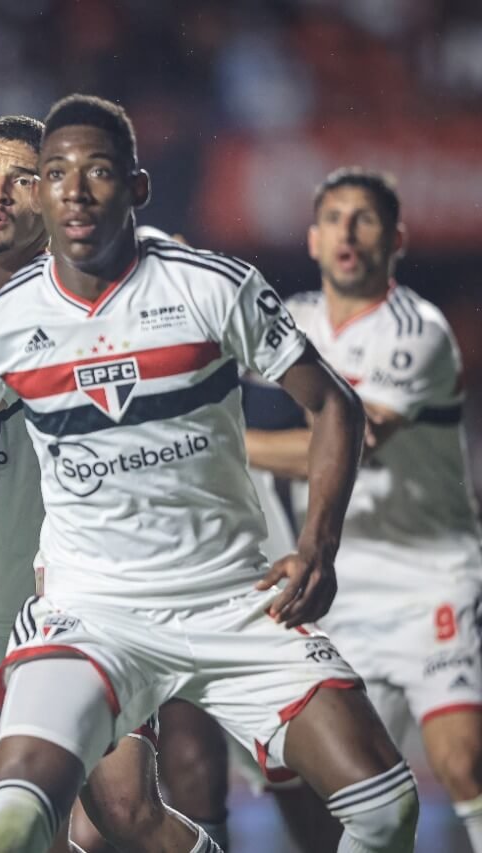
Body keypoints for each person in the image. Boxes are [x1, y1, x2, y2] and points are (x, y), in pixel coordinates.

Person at [0, 95, 418, 853]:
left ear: (137, 187)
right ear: (39, 194)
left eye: (98, 172)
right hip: (92, 611)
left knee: (388, 810)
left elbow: (335, 407)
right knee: (9, 825)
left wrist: (319, 545)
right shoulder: (2, 321)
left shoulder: (210, 286)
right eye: (55, 174)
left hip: (234, 602)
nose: (76, 190)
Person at [0, 116, 217, 853]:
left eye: (24, 177)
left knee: (123, 812)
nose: (2, 192)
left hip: (77, 611)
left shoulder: (88, 308)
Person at [246, 167, 482, 850]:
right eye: (335, 219)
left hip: (426, 577)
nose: (348, 232)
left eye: (366, 219)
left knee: (461, 757)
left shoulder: (418, 330)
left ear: (396, 239)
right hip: (333, 584)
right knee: (328, 777)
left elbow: (354, 442)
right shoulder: (290, 322)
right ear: (314, 240)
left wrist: (229, 443)